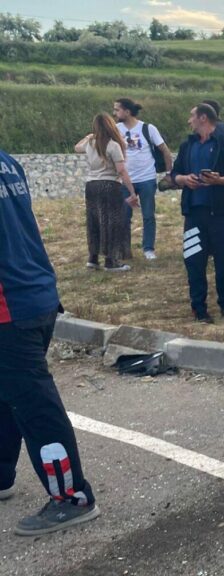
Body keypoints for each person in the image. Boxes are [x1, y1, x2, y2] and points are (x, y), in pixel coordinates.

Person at [0, 147, 101, 536]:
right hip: (36, 292)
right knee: (9, 393)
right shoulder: (7, 161)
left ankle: (72, 497)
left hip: (10, 308)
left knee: (36, 406)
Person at [169, 103, 224, 323]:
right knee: (194, 262)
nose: (189, 120)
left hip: (221, 213)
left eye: (191, 116)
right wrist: (184, 179)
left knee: (223, 261)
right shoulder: (187, 145)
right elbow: (174, 174)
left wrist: (219, 180)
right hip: (194, 213)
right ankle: (199, 309)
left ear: (203, 118)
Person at [75, 113, 140, 272]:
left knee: (94, 221)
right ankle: (111, 260)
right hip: (110, 185)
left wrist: (87, 137)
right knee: (112, 222)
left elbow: (77, 147)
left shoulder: (90, 143)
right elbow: (121, 170)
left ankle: (93, 258)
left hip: (92, 185)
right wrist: (132, 191)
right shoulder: (113, 145)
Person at [114, 98, 173, 260]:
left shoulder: (148, 128)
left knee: (148, 215)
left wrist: (169, 173)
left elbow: (165, 150)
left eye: (117, 110)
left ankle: (148, 248)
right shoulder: (116, 129)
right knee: (124, 216)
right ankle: (124, 250)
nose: (115, 113)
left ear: (127, 112)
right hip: (125, 180)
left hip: (146, 178)